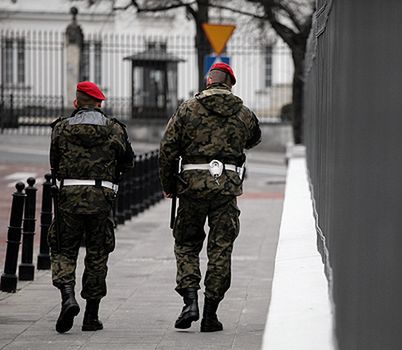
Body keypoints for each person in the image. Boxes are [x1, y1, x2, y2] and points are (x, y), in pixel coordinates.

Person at [159, 62, 261, 332]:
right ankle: (210, 314)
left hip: (191, 186)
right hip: (225, 187)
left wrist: (169, 184)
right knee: (221, 247)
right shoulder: (243, 112)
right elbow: (253, 138)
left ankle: (190, 301)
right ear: (230, 83)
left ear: (209, 81)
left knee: (186, 243)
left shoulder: (187, 108)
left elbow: (168, 148)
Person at [49, 81, 134, 334]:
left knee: (64, 249)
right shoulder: (114, 129)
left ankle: (67, 297)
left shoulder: (61, 128)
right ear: (99, 103)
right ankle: (91, 317)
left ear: (77, 102)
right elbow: (128, 162)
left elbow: (54, 162)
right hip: (101, 198)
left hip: (68, 198)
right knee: (97, 254)